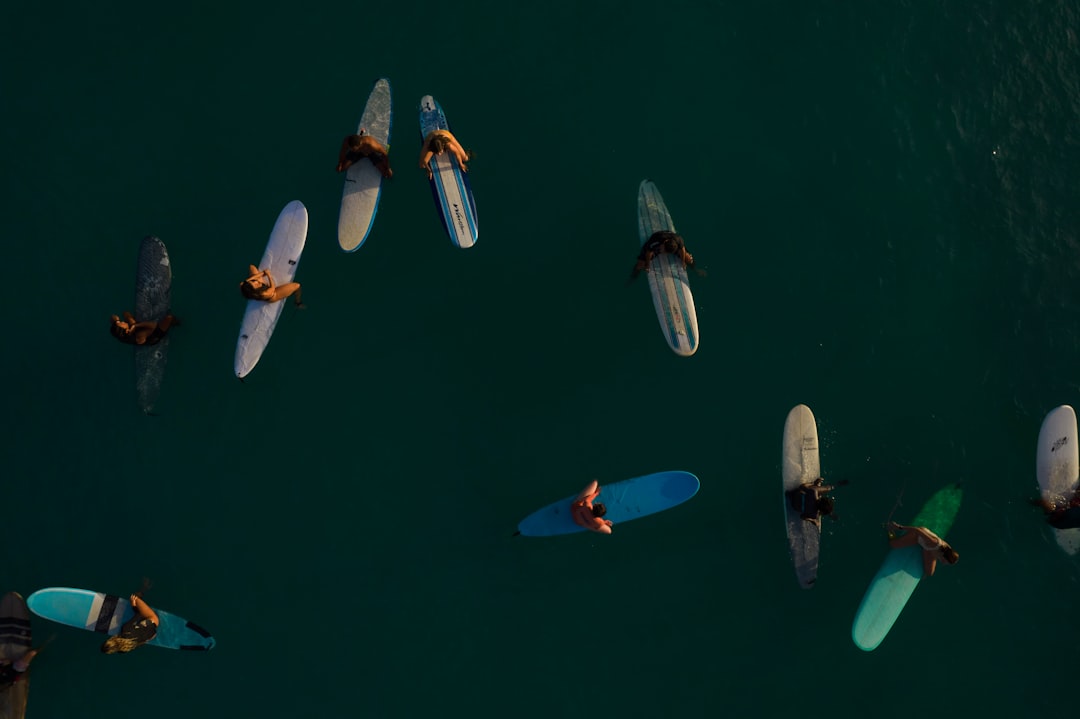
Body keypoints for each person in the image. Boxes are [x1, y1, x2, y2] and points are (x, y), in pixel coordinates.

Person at [887, 521, 959, 577]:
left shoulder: (945, 551)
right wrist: (898, 527)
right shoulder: (934, 543)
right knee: (893, 544)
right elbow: (917, 530)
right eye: (944, 561)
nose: (943, 563)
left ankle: (924, 549)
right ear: (944, 555)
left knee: (929, 572)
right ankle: (890, 529)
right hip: (917, 536)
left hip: (928, 548)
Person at [630, 231, 704, 281]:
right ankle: (633, 277)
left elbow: (682, 249)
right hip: (656, 246)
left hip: (669, 245)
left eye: (666, 253)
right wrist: (647, 265)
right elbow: (649, 252)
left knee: (688, 258)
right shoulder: (655, 240)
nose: (664, 254)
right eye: (664, 251)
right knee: (640, 264)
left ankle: (696, 270)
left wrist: (683, 261)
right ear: (664, 243)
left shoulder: (678, 240)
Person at [110, 311, 178, 346]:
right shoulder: (139, 335)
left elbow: (113, 317)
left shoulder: (120, 334)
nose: (122, 322)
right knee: (169, 318)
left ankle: (136, 322)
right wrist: (136, 325)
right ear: (127, 331)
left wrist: (117, 321)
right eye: (122, 323)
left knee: (126, 314)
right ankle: (177, 323)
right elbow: (153, 325)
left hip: (135, 331)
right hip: (155, 334)